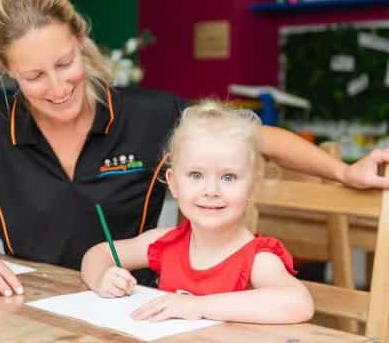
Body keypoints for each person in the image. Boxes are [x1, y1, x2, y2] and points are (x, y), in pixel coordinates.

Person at [0, 0, 388, 298]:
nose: (56, 88)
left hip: (130, 303)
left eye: (64, 64)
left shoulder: (151, 115)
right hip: (27, 304)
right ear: (6, 70)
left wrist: (345, 171)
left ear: (80, 39)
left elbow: (256, 136)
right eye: (33, 76)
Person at [81, 101, 314, 323]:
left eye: (228, 177)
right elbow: (98, 254)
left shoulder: (258, 259)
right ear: (173, 183)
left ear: (253, 186)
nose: (211, 190)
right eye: (196, 175)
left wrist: (198, 306)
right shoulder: (165, 243)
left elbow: (299, 303)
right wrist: (103, 278)